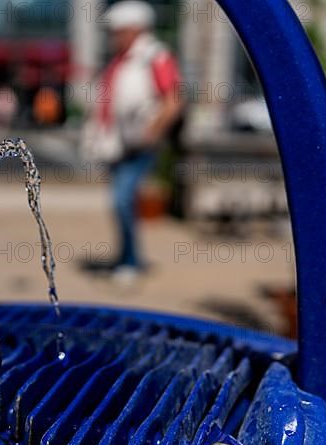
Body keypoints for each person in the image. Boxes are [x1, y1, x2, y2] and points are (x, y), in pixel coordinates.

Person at [80, 0, 184, 280]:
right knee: (122, 203)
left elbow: (173, 99)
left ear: (135, 29)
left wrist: (153, 130)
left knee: (122, 199)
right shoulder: (119, 61)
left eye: (119, 30)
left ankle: (131, 263)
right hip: (119, 144)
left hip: (141, 144)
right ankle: (126, 257)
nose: (115, 36)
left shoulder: (155, 56)